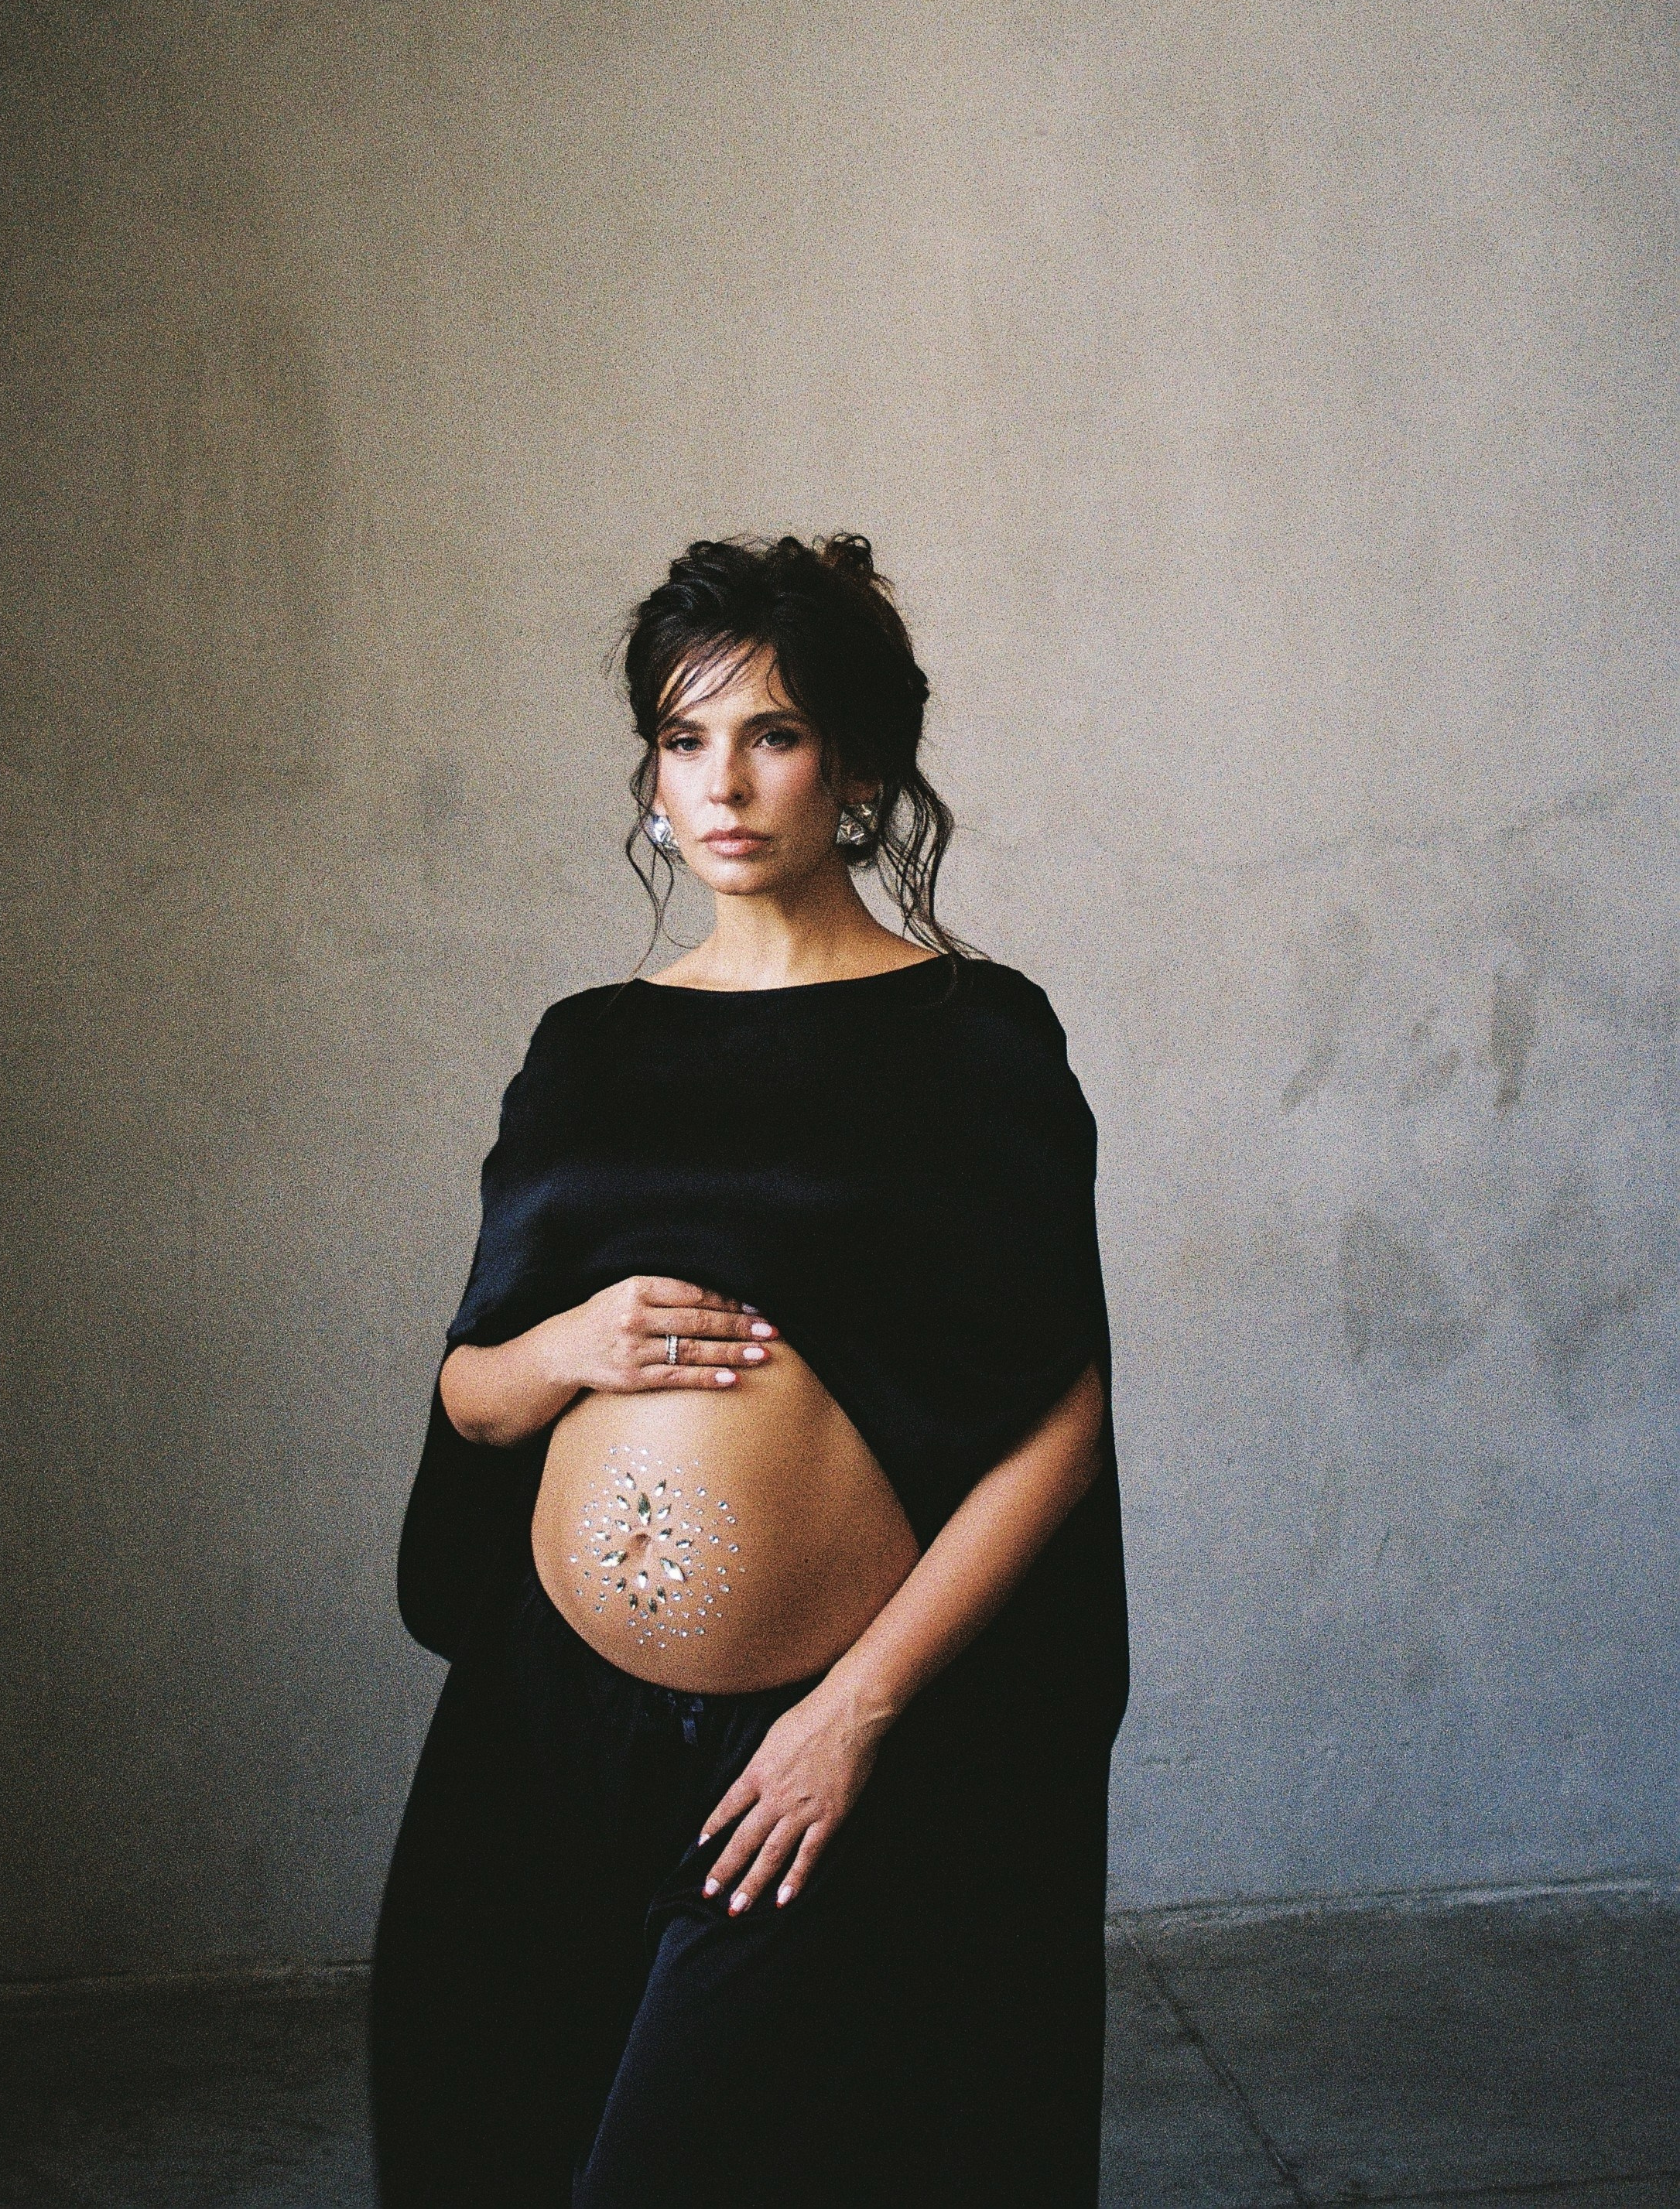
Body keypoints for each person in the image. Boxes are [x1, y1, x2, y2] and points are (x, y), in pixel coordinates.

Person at [370, 532, 1128, 2207]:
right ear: (650, 771)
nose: (723, 781)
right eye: (684, 736)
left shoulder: (972, 1038)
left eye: (772, 733)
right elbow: (470, 1397)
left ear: (855, 767)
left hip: (812, 1738)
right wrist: (565, 1345)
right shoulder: (588, 1045)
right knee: (502, 2138)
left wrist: (850, 1713)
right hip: (543, 1727)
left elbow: (1057, 1421)